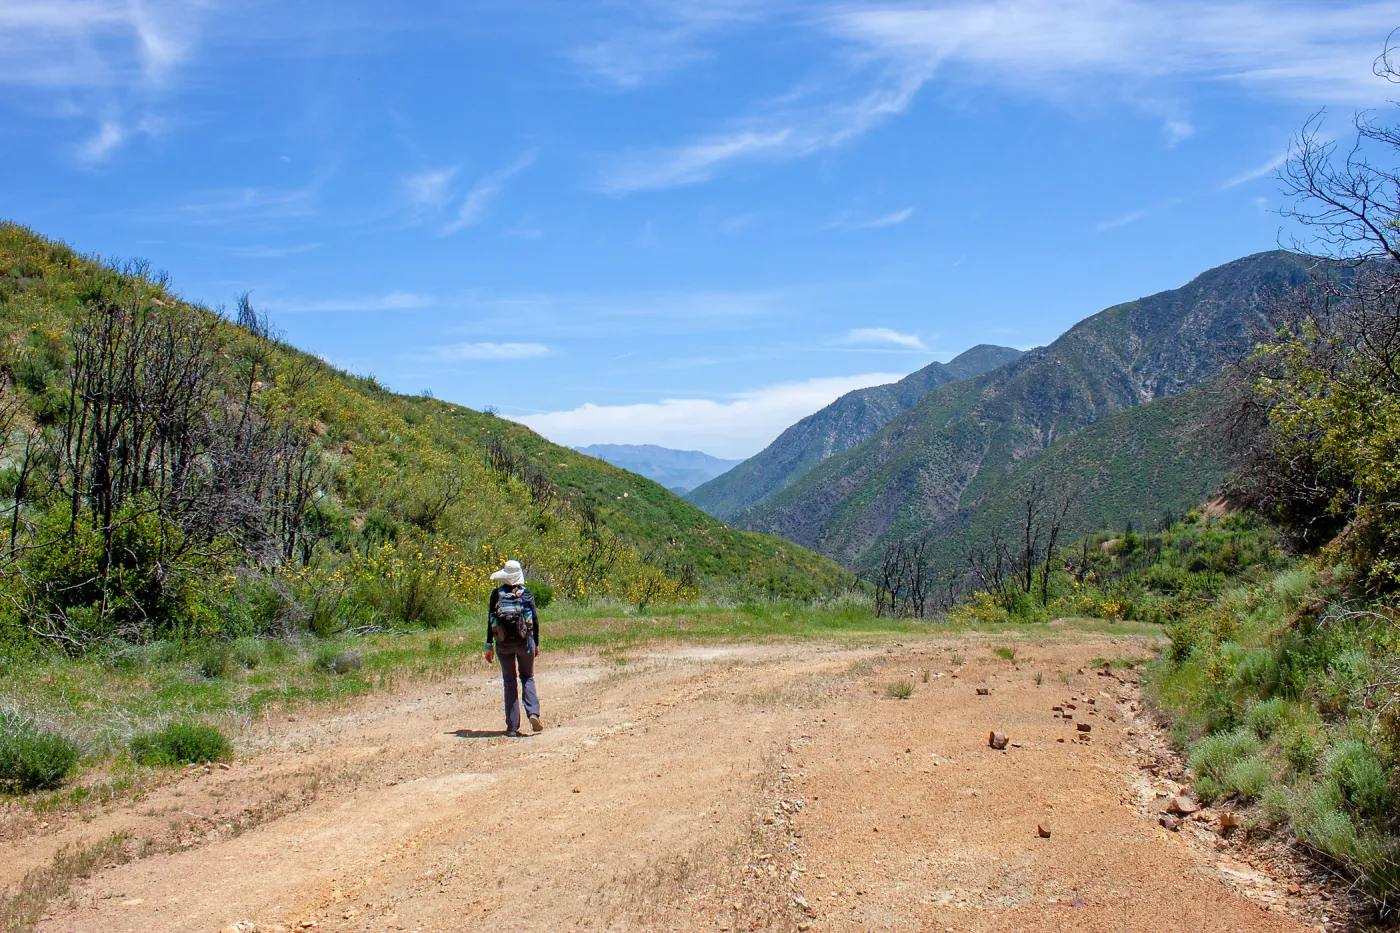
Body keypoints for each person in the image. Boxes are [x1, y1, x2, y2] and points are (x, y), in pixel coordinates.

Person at [483, 559, 542, 737]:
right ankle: (533, 713)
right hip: (525, 643)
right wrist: (536, 643)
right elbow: (535, 621)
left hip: (503, 644)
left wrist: (488, 645)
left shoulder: (496, 595)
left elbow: (490, 620)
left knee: (509, 681)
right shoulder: (527, 594)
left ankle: (512, 727)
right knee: (527, 677)